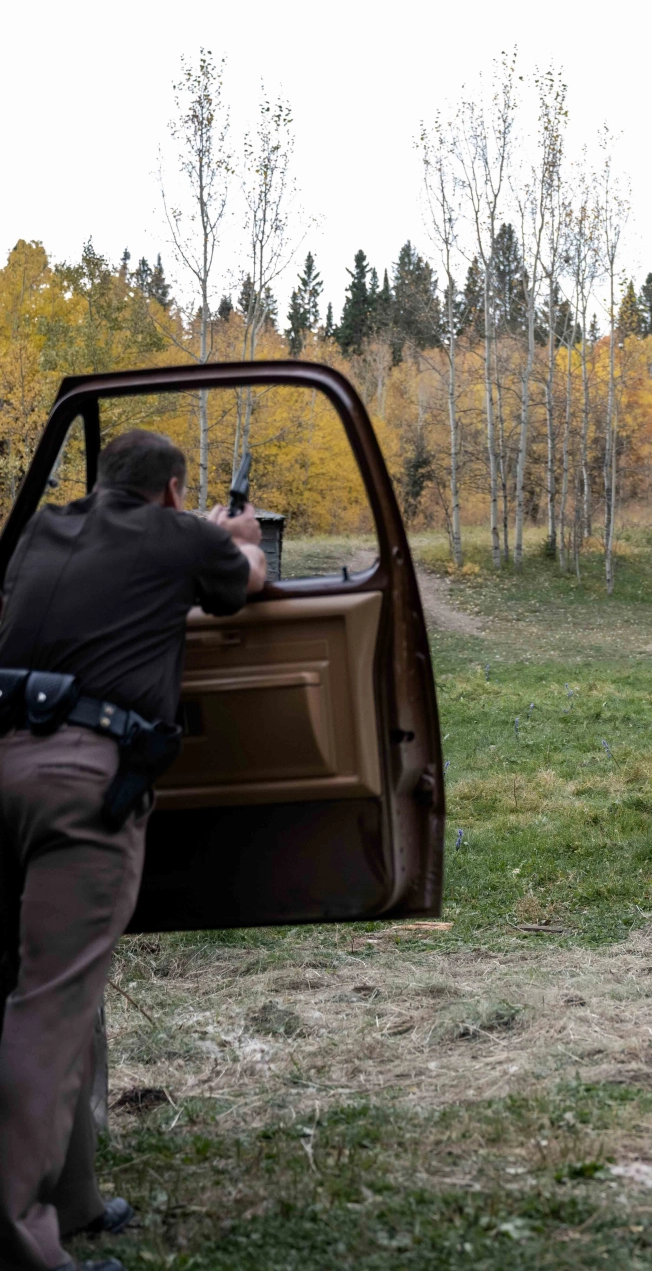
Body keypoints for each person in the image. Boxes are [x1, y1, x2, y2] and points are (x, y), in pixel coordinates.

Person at [0, 430, 266, 1271]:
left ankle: (71, 1201)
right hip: (85, 790)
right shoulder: (183, 536)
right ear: (175, 492)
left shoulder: (43, 530)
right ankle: (17, 1240)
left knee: (44, 992)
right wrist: (241, 539)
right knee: (47, 1013)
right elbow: (248, 583)